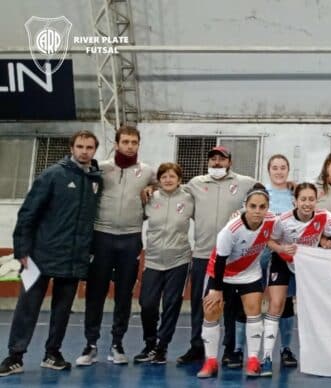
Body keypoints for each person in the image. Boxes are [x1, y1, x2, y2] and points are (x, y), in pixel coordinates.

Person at [0, 130, 102, 377]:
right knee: (28, 308)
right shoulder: (53, 175)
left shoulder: (96, 180)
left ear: (95, 150)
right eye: (80, 146)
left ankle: (52, 354)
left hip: (73, 259)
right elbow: (27, 213)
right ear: (71, 147)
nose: (84, 151)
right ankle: (15, 356)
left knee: (62, 311)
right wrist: (22, 250)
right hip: (40, 256)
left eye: (89, 147)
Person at [77, 125, 155, 366]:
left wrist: (152, 188)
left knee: (124, 294)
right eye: (126, 142)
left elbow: (164, 185)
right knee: (95, 294)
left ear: (138, 145)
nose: (130, 146)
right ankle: (90, 345)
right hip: (101, 236)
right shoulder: (101, 168)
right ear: (116, 144)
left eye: (134, 142)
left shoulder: (146, 171)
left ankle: (117, 344)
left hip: (131, 238)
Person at [177, 146, 257, 368]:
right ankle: (197, 347)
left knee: (230, 305)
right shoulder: (195, 183)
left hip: (232, 257)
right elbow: (171, 187)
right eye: (213, 159)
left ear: (229, 162)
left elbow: (264, 193)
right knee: (200, 304)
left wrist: (291, 185)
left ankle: (230, 350)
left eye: (221, 159)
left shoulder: (245, 182)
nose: (217, 163)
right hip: (203, 254)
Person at [197, 184, 279, 379]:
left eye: (262, 207)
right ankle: (210, 362)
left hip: (249, 274)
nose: (257, 211)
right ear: (245, 206)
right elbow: (220, 260)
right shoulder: (231, 229)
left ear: (267, 207)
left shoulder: (272, 221)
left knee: (254, 312)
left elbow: (287, 230)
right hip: (221, 274)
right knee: (211, 312)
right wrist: (216, 289)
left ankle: (252, 361)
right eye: (253, 206)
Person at [264, 183, 331, 374]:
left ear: (316, 201)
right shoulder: (283, 220)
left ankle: (289, 350)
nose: (307, 203)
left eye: (311, 199)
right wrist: (281, 249)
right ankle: (267, 356)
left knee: (312, 307)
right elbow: (269, 240)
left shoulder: (323, 217)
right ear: (295, 201)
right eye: (303, 199)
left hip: (306, 265)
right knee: (277, 304)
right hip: (282, 261)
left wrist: (326, 241)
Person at [134, 163, 194, 365]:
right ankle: (149, 344)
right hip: (153, 260)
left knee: (171, 304)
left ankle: (162, 347)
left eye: (172, 176)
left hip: (179, 260)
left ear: (179, 179)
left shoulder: (188, 199)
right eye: (164, 176)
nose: (168, 179)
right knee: (147, 304)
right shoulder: (149, 199)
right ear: (158, 179)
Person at [259, 154, 299, 367]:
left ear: (288, 169)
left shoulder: (295, 193)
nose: (279, 171)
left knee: (285, 302)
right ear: (269, 169)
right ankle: (249, 350)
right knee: (252, 302)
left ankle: (285, 348)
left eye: (283, 167)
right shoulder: (261, 193)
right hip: (260, 255)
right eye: (275, 167)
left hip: (285, 255)